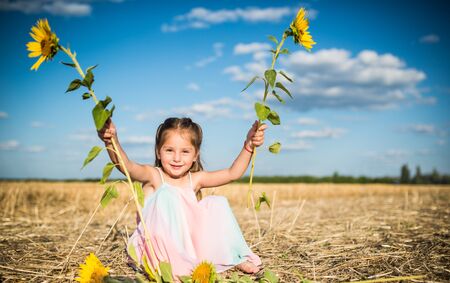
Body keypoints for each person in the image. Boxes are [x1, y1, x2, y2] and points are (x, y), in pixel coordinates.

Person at [98, 117, 267, 279]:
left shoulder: (195, 179)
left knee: (216, 203)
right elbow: (126, 166)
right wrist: (111, 140)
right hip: (156, 249)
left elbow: (232, 173)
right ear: (158, 152)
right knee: (167, 194)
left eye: (185, 151)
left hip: (189, 248)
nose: (177, 158)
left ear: (195, 155)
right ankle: (180, 268)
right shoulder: (154, 176)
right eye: (169, 150)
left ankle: (233, 257)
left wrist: (249, 145)